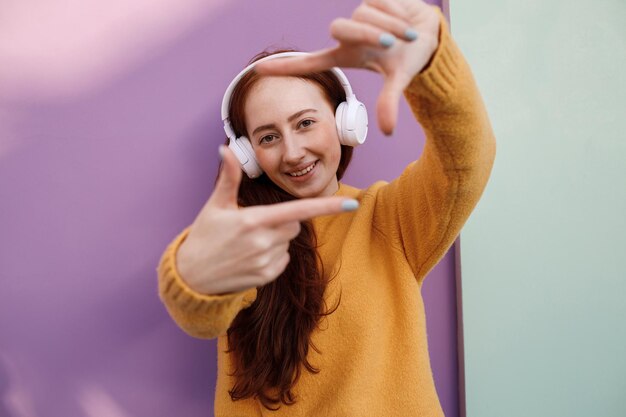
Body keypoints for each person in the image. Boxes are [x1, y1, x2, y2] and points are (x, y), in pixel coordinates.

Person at [158, 0, 496, 415]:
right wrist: (191, 276)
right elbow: (199, 316)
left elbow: (465, 159)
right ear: (248, 156)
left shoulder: (389, 219)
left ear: (344, 122)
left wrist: (432, 66)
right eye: (268, 138)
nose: (292, 152)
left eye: (304, 123)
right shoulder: (249, 237)